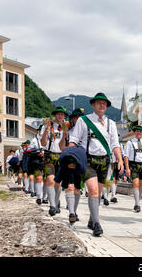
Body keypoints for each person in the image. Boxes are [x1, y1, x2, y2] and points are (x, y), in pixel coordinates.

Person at [69, 92, 123, 237]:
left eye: (104, 103)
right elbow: (74, 139)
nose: (102, 105)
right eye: (99, 102)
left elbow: (115, 144)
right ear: (93, 105)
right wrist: (70, 156)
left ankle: (92, 220)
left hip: (104, 161)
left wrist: (120, 160)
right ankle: (97, 224)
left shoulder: (111, 123)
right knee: (92, 190)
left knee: (98, 193)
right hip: (88, 160)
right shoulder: (84, 120)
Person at [40, 107, 68, 216]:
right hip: (49, 155)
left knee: (58, 183)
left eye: (62, 114)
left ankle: (56, 202)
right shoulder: (48, 126)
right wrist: (46, 132)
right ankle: (52, 205)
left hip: (61, 156)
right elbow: (42, 143)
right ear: (55, 115)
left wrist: (65, 134)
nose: (60, 116)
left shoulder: (66, 127)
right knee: (50, 180)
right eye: (58, 114)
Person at [59, 108, 84, 214]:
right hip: (69, 162)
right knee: (69, 187)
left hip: (81, 162)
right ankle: (72, 213)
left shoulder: (86, 132)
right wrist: (64, 135)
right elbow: (61, 147)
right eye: (75, 117)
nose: (77, 120)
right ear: (72, 119)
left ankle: (74, 209)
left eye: (80, 117)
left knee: (78, 189)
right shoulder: (68, 131)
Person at [124, 125, 142, 213]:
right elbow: (126, 156)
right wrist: (127, 168)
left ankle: (138, 202)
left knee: (141, 185)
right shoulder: (130, 143)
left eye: (140, 131)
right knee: (135, 183)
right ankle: (137, 204)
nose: (138, 133)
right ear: (134, 133)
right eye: (137, 131)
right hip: (134, 165)